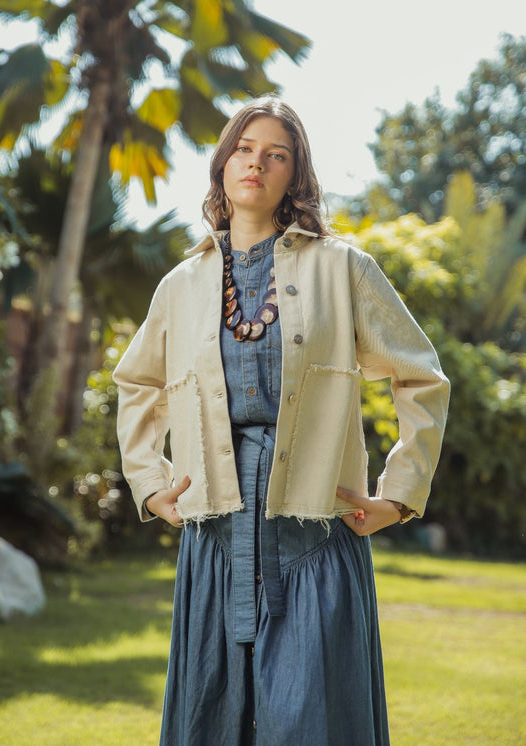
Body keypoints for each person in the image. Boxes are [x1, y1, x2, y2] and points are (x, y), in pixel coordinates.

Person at [113, 96, 450, 746]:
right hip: (213, 535)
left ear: (294, 176)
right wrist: (148, 484)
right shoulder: (180, 285)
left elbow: (421, 377)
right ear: (222, 164)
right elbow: (136, 383)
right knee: (209, 723)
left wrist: (400, 494)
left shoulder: (342, 267)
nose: (256, 164)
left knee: (315, 723)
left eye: (276, 155)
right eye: (244, 149)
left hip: (315, 531)